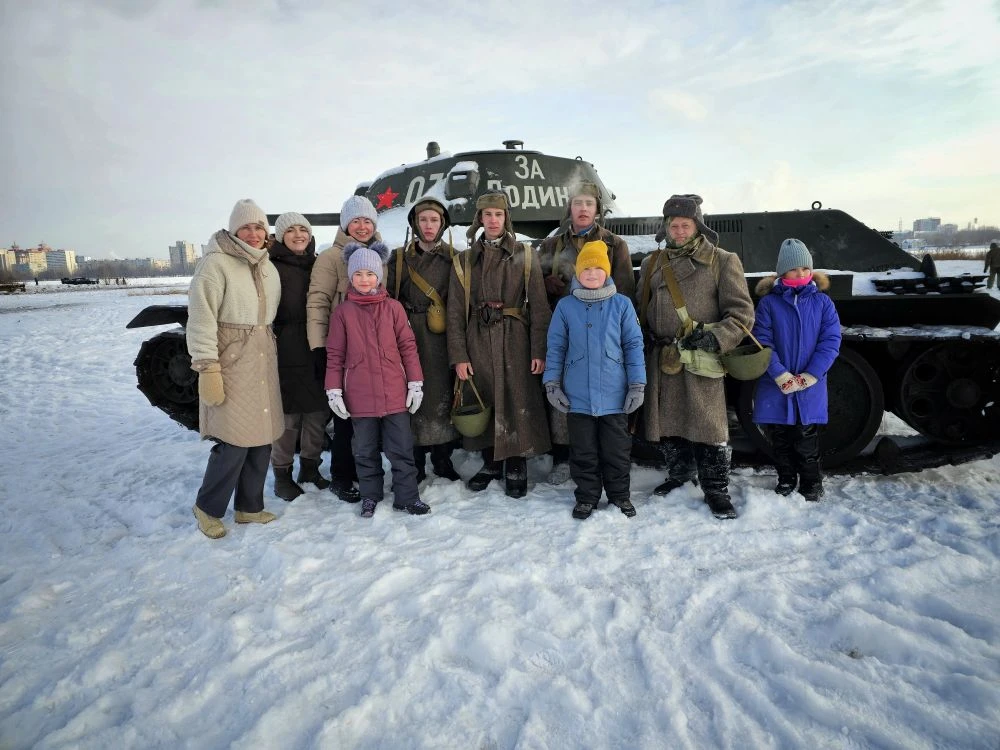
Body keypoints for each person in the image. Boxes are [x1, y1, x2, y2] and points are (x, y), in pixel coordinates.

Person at [636, 193, 755, 520]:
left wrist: (715, 337)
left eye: (685, 225)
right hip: (663, 356)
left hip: (701, 355)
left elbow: (742, 315)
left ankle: (716, 487)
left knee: (709, 425)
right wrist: (642, 332)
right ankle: (679, 475)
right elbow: (639, 308)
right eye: (673, 225)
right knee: (668, 423)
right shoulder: (651, 264)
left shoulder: (722, 260)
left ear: (697, 225)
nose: (678, 231)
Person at [187, 199, 283, 539]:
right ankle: (208, 508)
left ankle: (249, 507)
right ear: (233, 230)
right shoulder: (215, 264)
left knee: (262, 438)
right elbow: (201, 318)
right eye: (247, 228)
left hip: (262, 355)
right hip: (230, 359)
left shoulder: (267, 265)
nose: (254, 234)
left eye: (259, 227)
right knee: (234, 441)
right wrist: (207, 366)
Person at [446, 190, 552, 498]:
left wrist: (538, 350)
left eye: (498, 214)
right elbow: (454, 313)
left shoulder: (525, 254)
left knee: (516, 396)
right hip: (477, 338)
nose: (493, 220)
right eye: (487, 214)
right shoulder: (463, 261)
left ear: (507, 218)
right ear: (479, 219)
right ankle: (491, 462)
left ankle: (516, 461)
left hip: (516, 338)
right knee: (488, 397)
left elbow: (540, 308)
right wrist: (459, 355)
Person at [537, 181, 636, 484]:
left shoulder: (613, 244)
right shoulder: (552, 245)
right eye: (577, 203)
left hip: (605, 329)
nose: (582, 209)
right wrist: (545, 284)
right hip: (564, 326)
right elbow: (531, 288)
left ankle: (611, 463)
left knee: (607, 404)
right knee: (567, 396)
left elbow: (625, 290)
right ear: (570, 208)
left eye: (588, 203)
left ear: (596, 209)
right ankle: (566, 455)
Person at [325, 241, 430, 518]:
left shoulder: (394, 309)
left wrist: (415, 382)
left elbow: (408, 347)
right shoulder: (343, 313)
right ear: (350, 277)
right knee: (364, 450)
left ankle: (407, 497)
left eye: (370, 274)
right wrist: (333, 389)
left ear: (379, 276)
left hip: (394, 393)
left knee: (401, 449)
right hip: (360, 397)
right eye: (358, 274)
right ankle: (370, 495)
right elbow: (335, 355)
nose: (364, 279)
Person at [544, 241, 646, 519]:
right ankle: (587, 497)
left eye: (598, 268)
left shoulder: (622, 305)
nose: (592, 273)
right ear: (578, 272)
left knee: (617, 452)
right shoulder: (565, 307)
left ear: (607, 272)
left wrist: (638, 384)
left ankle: (619, 497)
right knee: (583, 452)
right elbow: (556, 347)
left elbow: (634, 345)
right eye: (586, 268)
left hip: (615, 397)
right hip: (578, 398)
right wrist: (552, 382)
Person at [306, 195, 384, 503]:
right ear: (345, 225)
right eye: (356, 221)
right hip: (343, 346)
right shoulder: (329, 258)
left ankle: (364, 471)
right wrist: (319, 347)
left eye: (367, 221)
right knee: (344, 417)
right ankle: (341, 475)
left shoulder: (378, 253)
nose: (362, 226)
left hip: (373, 349)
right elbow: (318, 301)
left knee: (367, 415)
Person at [751, 239, 842, 501]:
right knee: (780, 436)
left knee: (805, 437)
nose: (801, 274)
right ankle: (786, 478)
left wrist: (811, 375)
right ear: (782, 273)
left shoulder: (823, 303)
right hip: (777, 381)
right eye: (794, 269)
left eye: (805, 268)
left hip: (809, 383)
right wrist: (779, 373)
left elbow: (830, 341)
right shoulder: (769, 304)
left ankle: (812, 482)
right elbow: (763, 341)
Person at [386, 197, 461, 483]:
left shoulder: (454, 258)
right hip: (408, 333)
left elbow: (458, 302)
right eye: (423, 220)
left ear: (442, 224)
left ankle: (443, 459)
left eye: (434, 220)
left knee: (440, 394)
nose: (428, 226)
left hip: (440, 334)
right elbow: (390, 298)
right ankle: (414, 461)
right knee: (409, 395)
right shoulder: (399, 258)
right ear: (415, 224)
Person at [268, 212, 331, 501]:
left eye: (302, 230)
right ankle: (282, 474)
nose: (298, 235)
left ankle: (310, 467)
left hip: (316, 347)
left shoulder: (317, 263)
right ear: (281, 236)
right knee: (289, 416)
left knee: (317, 413)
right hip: (285, 347)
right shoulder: (270, 268)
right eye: (290, 230)